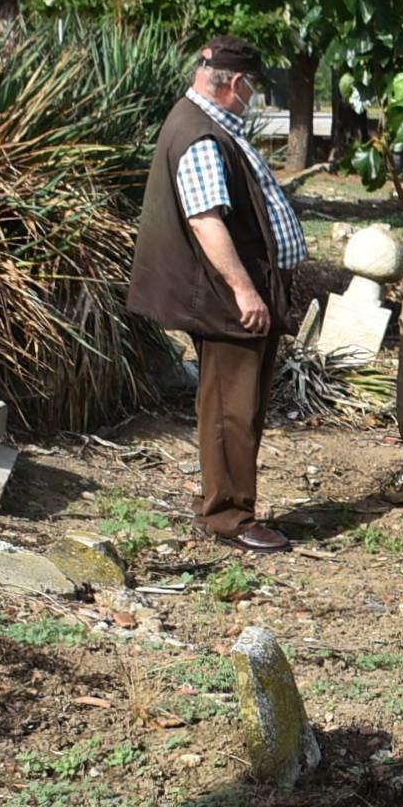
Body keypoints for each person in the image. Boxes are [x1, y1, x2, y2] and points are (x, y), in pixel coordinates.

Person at [126, 38, 308, 553]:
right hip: (229, 299)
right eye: (251, 86)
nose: (253, 96)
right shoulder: (201, 134)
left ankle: (230, 507)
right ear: (232, 83)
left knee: (236, 405)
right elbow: (206, 221)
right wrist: (245, 290)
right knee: (231, 408)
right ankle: (230, 518)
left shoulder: (205, 124)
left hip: (235, 294)